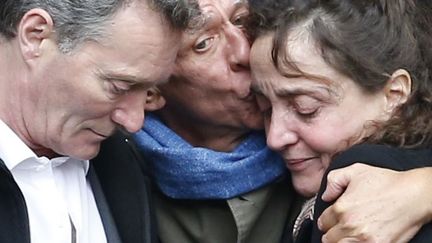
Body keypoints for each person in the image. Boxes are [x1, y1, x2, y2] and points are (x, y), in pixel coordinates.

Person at [0, 0, 199, 243]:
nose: (134, 122)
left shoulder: (127, 167)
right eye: (118, 87)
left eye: (149, 92)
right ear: (36, 36)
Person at [248, 0, 432, 242]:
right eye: (265, 109)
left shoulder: (358, 176)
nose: (274, 137)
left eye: (306, 109)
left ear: (394, 95)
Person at [132, 0, 300, 242]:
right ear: (150, 90)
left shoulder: (324, 144)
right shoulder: (108, 176)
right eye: (203, 44)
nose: (244, 52)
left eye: (241, 20)